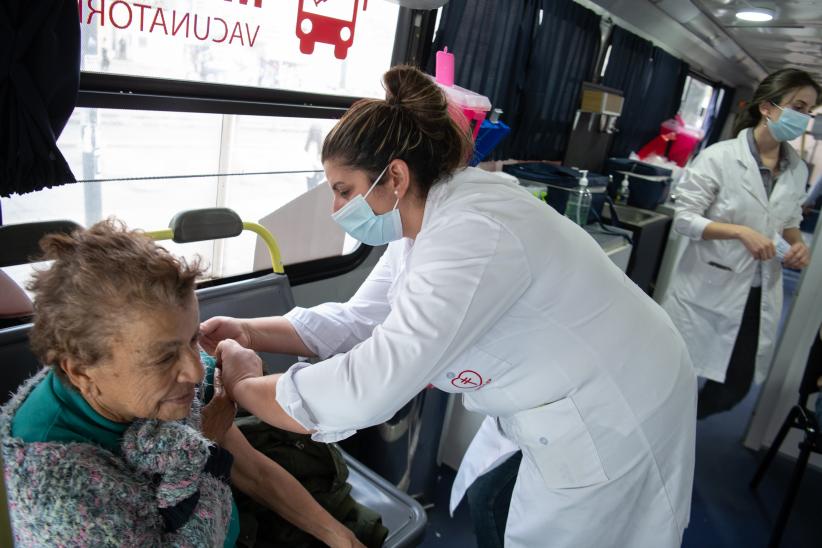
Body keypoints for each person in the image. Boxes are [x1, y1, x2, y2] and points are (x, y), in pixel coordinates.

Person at [202, 65, 697, 548]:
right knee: (489, 504)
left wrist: (243, 386)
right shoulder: (423, 222)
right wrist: (248, 331)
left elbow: (368, 387)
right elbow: (361, 319)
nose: (337, 210)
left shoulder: (472, 233)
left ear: (394, 176)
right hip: (559, 392)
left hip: (614, 406)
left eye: (343, 190)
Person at [0, 220, 364, 547]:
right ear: (80, 371)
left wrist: (341, 538)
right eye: (162, 357)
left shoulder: (147, 390)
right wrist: (209, 437)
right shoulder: (60, 493)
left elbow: (249, 468)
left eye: (192, 339)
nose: (194, 372)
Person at [662, 68, 821, 420]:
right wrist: (739, 232)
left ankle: (679, 425)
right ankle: (658, 432)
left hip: (757, 292)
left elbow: (790, 220)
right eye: (798, 106)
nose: (804, 118)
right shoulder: (719, 157)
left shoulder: (795, 169)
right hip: (706, 288)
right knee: (674, 377)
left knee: (735, 387)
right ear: (768, 107)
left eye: (809, 111)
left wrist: (797, 245)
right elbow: (685, 219)